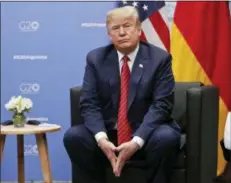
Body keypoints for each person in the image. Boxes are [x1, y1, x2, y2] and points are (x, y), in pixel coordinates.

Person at [64, 5, 181, 183]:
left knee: (166, 137)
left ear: (139, 30)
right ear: (109, 34)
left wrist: (136, 141)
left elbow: (162, 105)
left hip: (146, 133)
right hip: (109, 133)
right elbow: (89, 103)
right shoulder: (96, 59)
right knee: (74, 137)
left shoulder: (160, 59)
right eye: (115, 28)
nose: (122, 32)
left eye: (127, 26)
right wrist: (102, 139)